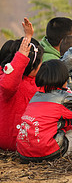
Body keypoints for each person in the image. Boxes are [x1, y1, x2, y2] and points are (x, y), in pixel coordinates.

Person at [16, 59, 72, 162]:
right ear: (62, 78)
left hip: (24, 153)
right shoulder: (63, 98)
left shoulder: (35, 97)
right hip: (49, 152)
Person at [0, 18, 43, 151]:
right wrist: (21, 56)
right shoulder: (13, 85)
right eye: (40, 61)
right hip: (16, 142)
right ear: (32, 65)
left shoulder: (32, 83)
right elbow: (8, 85)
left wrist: (28, 37)